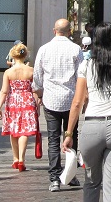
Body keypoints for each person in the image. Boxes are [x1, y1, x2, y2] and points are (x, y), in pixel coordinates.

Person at [62, 22, 111, 202]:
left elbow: (77, 102)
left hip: (92, 126)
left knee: (91, 181)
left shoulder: (87, 65)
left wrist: (69, 133)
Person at [32, 18, 83, 192]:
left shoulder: (44, 49)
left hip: (51, 99)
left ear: (54, 30)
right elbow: (81, 76)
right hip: (71, 100)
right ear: (69, 31)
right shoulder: (76, 49)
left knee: (53, 139)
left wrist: (39, 93)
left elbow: (37, 76)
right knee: (71, 136)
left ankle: (54, 178)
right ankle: (70, 175)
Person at [0, 42, 38, 171]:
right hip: (27, 101)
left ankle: (15, 158)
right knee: (24, 131)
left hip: (13, 101)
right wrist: (37, 103)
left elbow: (4, 91)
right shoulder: (31, 71)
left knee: (13, 130)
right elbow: (36, 89)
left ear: (13, 56)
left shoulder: (9, 72)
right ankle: (21, 158)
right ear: (25, 55)